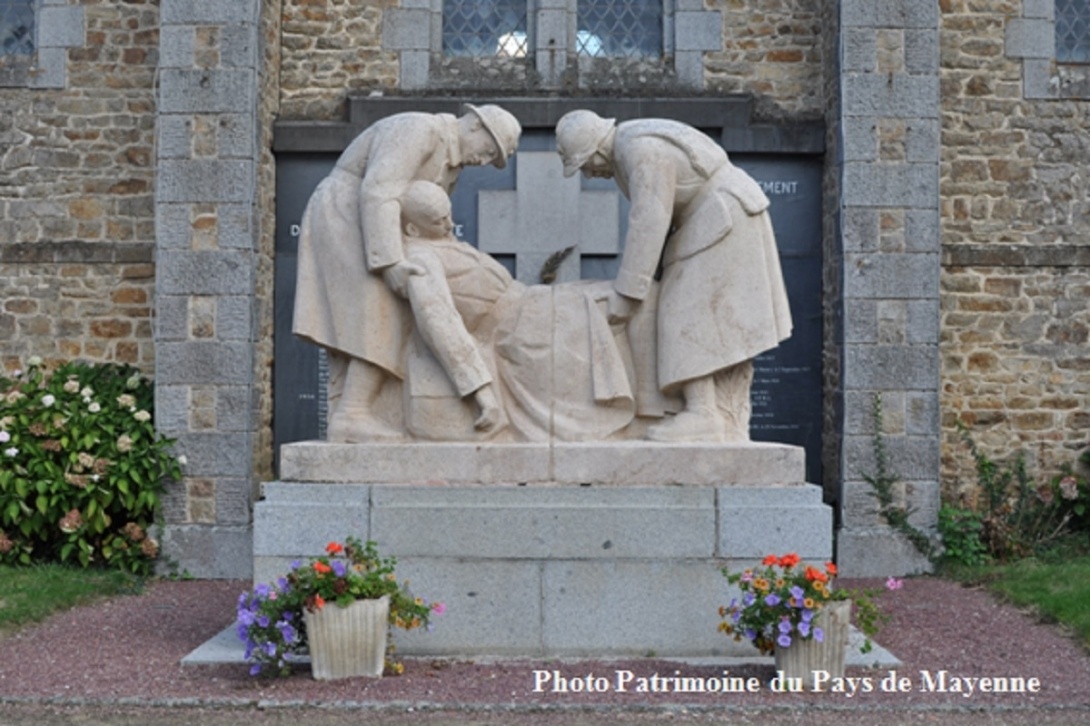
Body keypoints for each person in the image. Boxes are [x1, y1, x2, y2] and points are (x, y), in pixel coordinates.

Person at [555, 110, 793, 442]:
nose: (590, 174)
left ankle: (704, 414)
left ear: (595, 149)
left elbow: (650, 218)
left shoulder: (639, 149)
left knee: (682, 310)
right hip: (713, 217)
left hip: (722, 217)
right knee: (685, 307)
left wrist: (626, 294)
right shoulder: (632, 143)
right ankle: (707, 411)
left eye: (585, 165)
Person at [292, 105, 521, 442]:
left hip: (381, 223)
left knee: (396, 304)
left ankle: (360, 410)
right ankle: (352, 413)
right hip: (349, 211)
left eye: (493, 158)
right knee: (377, 306)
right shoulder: (420, 130)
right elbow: (379, 190)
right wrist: (390, 262)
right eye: (489, 151)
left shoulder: (452, 167)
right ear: (475, 126)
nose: (485, 161)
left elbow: (431, 223)